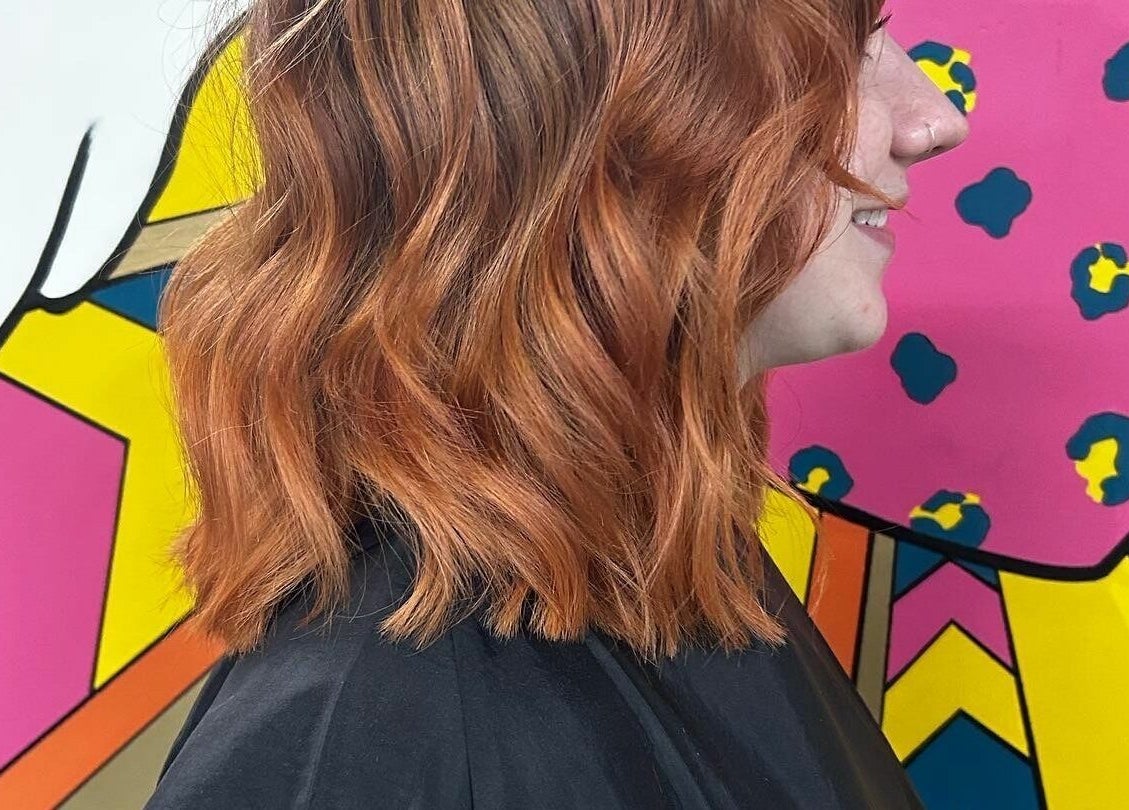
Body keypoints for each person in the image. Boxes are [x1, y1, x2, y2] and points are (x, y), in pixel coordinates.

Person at [145, 0, 969, 807]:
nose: (934, 121)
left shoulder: (655, 566)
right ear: (593, 118)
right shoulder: (367, 738)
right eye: (843, 49)